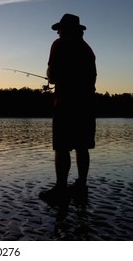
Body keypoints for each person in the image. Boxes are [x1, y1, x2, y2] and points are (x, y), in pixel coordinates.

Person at [39, 13, 97, 203]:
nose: (57, 33)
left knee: (62, 148)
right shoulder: (88, 50)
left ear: (64, 30)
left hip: (65, 105)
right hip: (87, 105)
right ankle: (81, 185)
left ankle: (61, 188)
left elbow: (53, 77)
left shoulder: (59, 45)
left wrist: (49, 74)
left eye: (59, 30)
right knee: (82, 146)